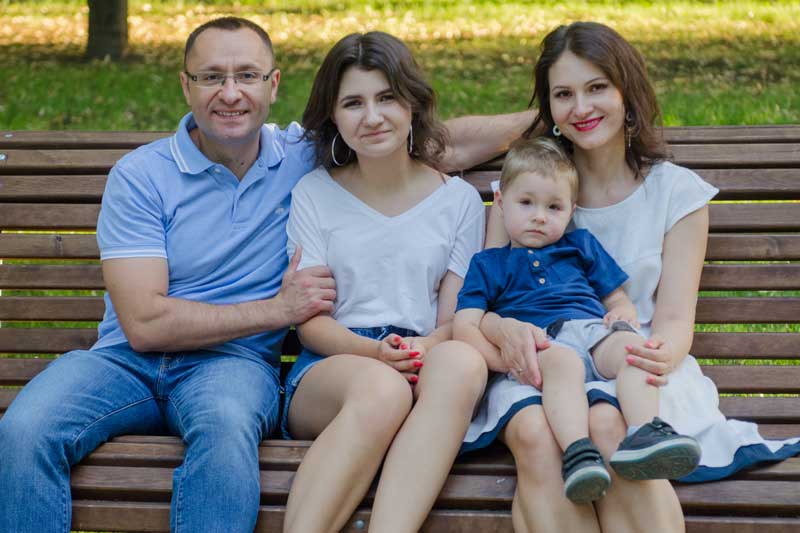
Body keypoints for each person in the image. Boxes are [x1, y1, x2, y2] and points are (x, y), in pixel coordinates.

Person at [0, 17, 532, 533]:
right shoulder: (143, 176)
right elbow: (144, 324)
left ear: (272, 85)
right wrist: (279, 311)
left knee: (226, 429)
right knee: (24, 431)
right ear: (186, 87)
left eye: (247, 76)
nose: (230, 93)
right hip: (124, 361)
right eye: (211, 77)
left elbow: (432, 145)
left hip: (231, 365)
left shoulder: (301, 157)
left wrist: (555, 115)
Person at [458, 21, 800, 533]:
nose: (581, 108)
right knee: (535, 432)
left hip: (632, 358)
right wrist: (504, 332)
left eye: (597, 88)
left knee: (607, 423)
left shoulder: (675, 192)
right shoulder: (528, 190)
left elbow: (675, 316)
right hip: (539, 359)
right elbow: (489, 290)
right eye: (563, 95)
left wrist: (656, 353)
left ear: (627, 92)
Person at [281, 31, 490, 533]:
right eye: (353, 103)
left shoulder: (458, 201)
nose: (372, 117)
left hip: (424, 353)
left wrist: (422, 346)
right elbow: (311, 327)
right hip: (333, 365)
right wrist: (376, 355)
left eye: (387, 98)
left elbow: (455, 318)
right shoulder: (314, 193)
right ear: (333, 116)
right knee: (382, 389)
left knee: (462, 358)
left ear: (413, 104)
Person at [455, 137, 701, 505]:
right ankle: (579, 452)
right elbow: (465, 324)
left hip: (591, 332)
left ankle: (646, 432)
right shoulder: (489, 264)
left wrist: (623, 314)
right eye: (526, 203)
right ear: (501, 204)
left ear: (571, 211)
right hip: (543, 342)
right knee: (563, 363)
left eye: (554, 207)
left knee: (633, 350)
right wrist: (503, 360)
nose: (540, 216)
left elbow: (616, 298)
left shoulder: (580, 245)